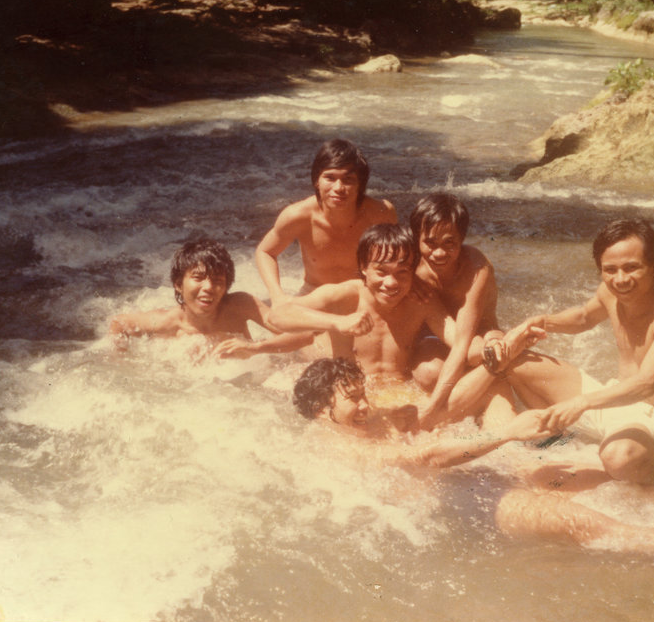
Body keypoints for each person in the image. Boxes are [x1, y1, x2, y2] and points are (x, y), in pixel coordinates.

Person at [291, 356, 654, 563]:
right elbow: (432, 459)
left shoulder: (369, 418)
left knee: (596, 475)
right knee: (585, 522)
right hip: (461, 506)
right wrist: (508, 433)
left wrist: (491, 378)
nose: (364, 405)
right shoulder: (341, 449)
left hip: (477, 475)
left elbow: (434, 418)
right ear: (320, 410)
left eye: (362, 394)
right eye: (352, 400)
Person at [487, 217, 654, 485]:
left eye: (632, 268)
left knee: (619, 458)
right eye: (610, 270)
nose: (620, 279)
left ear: (653, 265)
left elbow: (647, 384)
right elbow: (583, 317)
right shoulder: (610, 293)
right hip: (610, 398)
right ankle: (559, 437)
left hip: (651, 418)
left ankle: (648, 480)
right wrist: (536, 323)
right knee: (517, 364)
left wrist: (581, 402)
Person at [268, 223, 524, 428]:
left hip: (401, 397)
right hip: (357, 400)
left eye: (402, 272)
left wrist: (496, 344)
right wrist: (338, 322)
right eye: (381, 271)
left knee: (484, 390)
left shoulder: (419, 299)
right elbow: (277, 316)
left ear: (412, 272)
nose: (391, 283)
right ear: (363, 268)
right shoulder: (345, 296)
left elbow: (461, 342)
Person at [109, 238, 311, 358]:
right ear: (178, 284)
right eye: (198, 278)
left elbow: (305, 333)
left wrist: (255, 348)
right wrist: (121, 358)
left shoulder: (241, 305)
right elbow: (119, 323)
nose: (208, 288)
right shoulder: (165, 322)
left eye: (217, 281)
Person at [255, 138, 397, 306]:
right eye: (330, 178)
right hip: (313, 294)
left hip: (363, 294)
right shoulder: (299, 216)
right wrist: (277, 295)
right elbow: (265, 252)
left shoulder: (380, 213)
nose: (338, 188)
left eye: (348, 179)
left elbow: (402, 257)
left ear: (360, 184)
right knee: (278, 326)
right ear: (317, 180)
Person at [408, 193, 504, 423]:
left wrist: (431, 408)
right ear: (416, 239)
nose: (439, 253)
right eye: (430, 243)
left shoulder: (476, 268)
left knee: (480, 351)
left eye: (449, 243)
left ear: (462, 239)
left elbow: (462, 343)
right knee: (428, 374)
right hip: (435, 335)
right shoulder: (409, 262)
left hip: (476, 334)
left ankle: (487, 396)